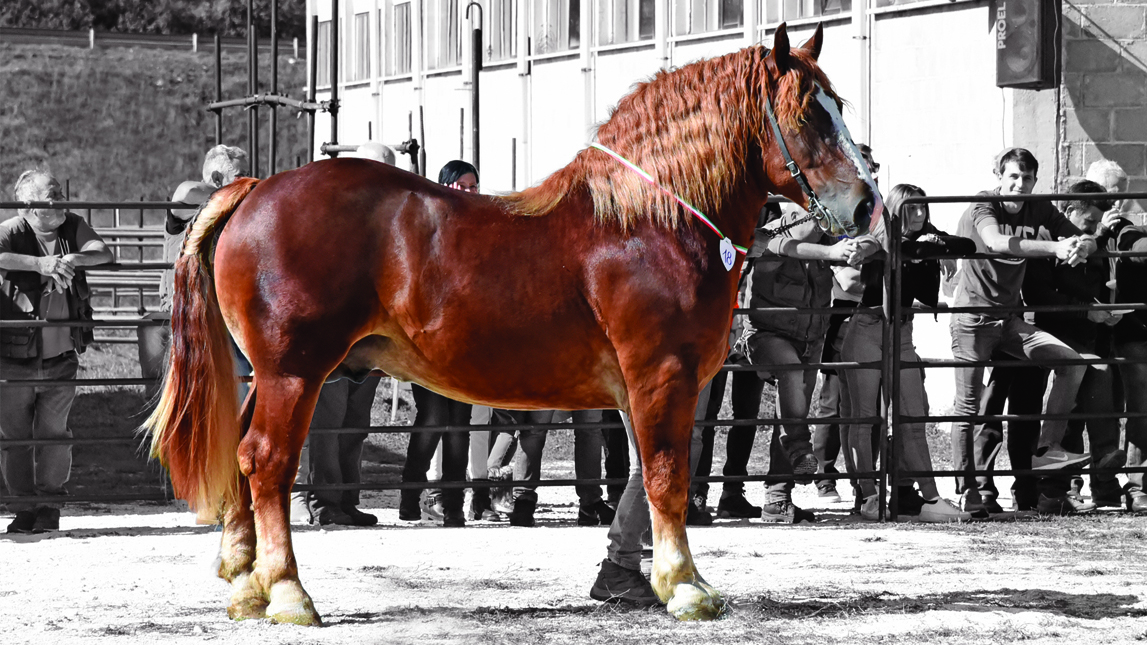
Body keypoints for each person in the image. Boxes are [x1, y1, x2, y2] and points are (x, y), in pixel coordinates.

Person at [949, 147, 1097, 518]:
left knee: (1071, 364)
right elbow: (998, 242)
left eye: (1027, 178)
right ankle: (967, 492)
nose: (1020, 184)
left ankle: (1047, 450)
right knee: (971, 408)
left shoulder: (1040, 206)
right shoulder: (984, 205)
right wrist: (1057, 248)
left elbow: (1079, 237)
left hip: (1011, 320)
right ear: (999, 176)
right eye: (1013, 176)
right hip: (972, 318)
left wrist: (1082, 245)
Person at [728, 207, 870, 523]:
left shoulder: (827, 240)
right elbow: (781, 248)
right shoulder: (772, 235)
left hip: (810, 339)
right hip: (765, 335)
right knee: (788, 375)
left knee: (792, 406)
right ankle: (799, 450)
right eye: (817, 219)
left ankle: (777, 499)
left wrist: (856, 251)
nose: (825, 226)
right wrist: (830, 250)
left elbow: (850, 275)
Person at [842, 184, 974, 522]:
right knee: (864, 418)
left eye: (922, 209)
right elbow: (887, 245)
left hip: (901, 333)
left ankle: (931, 500)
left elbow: (967, 245)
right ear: (895, 210)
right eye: (911, 209)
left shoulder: (927, 236)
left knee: (913, 417)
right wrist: (924, 248)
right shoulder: (880, 236)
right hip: (868, 328)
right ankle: (869, 498)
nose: (919, 215)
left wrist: (937, 246)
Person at [1, 169, 113, 533]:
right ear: (30, 205)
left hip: (61, 356)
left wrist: (72, 260)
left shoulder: (72, 225)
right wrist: (40, 264)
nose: (60, 199)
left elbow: (102, 252)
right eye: (52, 195)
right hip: (14, 358)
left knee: (54, 436)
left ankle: (50, 505)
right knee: (16, 438)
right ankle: (23, 508)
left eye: (60, 192)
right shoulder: (12, 229)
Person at [1019, 180, 1126, 514]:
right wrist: (1088, 311)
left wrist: (1103, 312)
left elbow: (1092, 287)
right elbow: (1038, 295)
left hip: (1086, 337)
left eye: (1097, 223)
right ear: (1068, 212)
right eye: (1088, 222)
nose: (1091, 230)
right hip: (1055, 336)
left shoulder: (1089, 245)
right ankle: (1065, 486)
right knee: (1078, 390)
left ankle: (1102, 479)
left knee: (1100, 377)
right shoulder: (1046, 244)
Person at [397, 160, 480, 527]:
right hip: (428, 339)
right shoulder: (426, 225)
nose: (468, 191)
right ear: (445, 184)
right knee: (432, 419)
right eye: (461, 185)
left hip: (463, 343)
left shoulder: (480, 230)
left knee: (459, 424)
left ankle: (453, 505)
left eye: (473, 186)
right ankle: (410, 496)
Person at [138, 145, 249, 401]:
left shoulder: (235, 212)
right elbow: (185, 190)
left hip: (221, 312)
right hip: (183, 308)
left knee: (238, 389)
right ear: (218, 179)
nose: (247, 183)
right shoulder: (192, 199)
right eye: (241, 176)